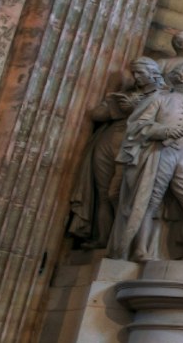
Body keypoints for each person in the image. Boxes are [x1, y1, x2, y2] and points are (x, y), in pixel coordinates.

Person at [110, 66, 183, 261]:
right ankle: (140, 250)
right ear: (181, 79)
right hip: (162, 153)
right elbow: (136, 126)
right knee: (150, 202)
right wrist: (164, 131)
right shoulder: (161, 98)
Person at [69, 58, 165, 249]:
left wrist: (137, 109)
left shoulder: (164, 96)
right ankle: (103, 237)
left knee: (121, 194)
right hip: (108, 142)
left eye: (140, 73)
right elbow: (96, 114)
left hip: (135, 146)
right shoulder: (127, 94)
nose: (136, 77)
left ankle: (122, 241)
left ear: (153, 73)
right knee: (104, 193)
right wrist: (117, 108)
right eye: (134, 73)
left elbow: (164, 123)